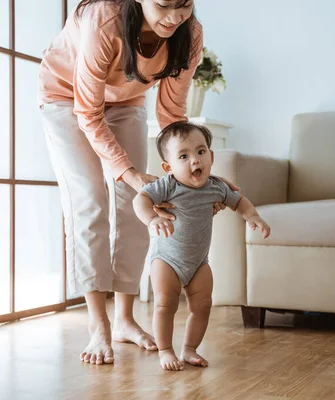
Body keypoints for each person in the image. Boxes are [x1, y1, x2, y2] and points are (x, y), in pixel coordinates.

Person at [38, 0, 235, 365]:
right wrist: (127, 172)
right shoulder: (104, 20)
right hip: (66, 98)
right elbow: (88, 111)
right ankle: (99, 326)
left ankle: (124, 319)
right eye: (163, 5)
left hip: (126, 101)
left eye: (185, 5)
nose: (174, 17)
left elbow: (172, 115)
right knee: (90, 200)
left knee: (139, 206)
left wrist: (192, 179)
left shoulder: (189, 34)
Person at [133, 121, 271, 371]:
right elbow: (140, 199)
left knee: (203, 305)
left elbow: (240, 202)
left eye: (200, 152)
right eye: (183, 156)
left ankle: (189, 349)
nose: (195, 160)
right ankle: (165, 350)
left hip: (199, 262)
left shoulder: (217, 187)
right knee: (165, 304)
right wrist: (151, 219)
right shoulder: (168, 185)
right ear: (168, 167)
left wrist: (253, 216)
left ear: (211, 156)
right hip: (166, 259)